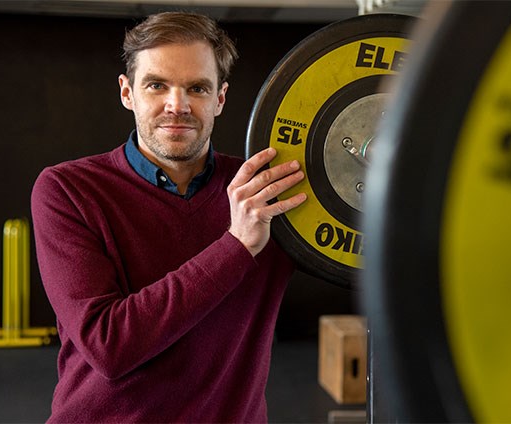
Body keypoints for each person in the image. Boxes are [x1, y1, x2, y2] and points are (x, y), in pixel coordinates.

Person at [31, 11, 307, 423]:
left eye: (196, 88)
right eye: (157, 85)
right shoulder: (67, 190)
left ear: (220, 99)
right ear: (128, 93)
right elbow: (109, 344)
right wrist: (237, 246)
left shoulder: (263, 191)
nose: (176, 106)